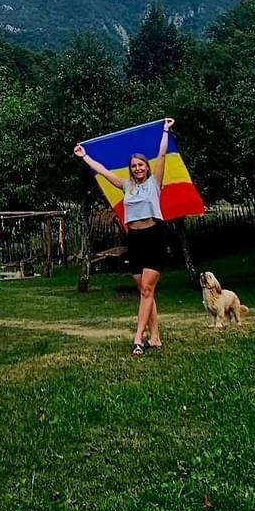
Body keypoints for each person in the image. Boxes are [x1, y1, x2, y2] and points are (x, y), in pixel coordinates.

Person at [74, 118, 174, 355]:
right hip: (135, 239)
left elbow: (161, 156)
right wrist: (84, 156)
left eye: (141, 165)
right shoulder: (125, 185)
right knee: (145, 291)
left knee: (147, 290)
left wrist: (165, 131)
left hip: (154, 236)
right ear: (130, 170)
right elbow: (103, 172)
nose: (138, 168)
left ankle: (138, 338)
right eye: (134, 166)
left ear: (146, 167)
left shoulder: (154, 183)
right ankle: (156, 337)